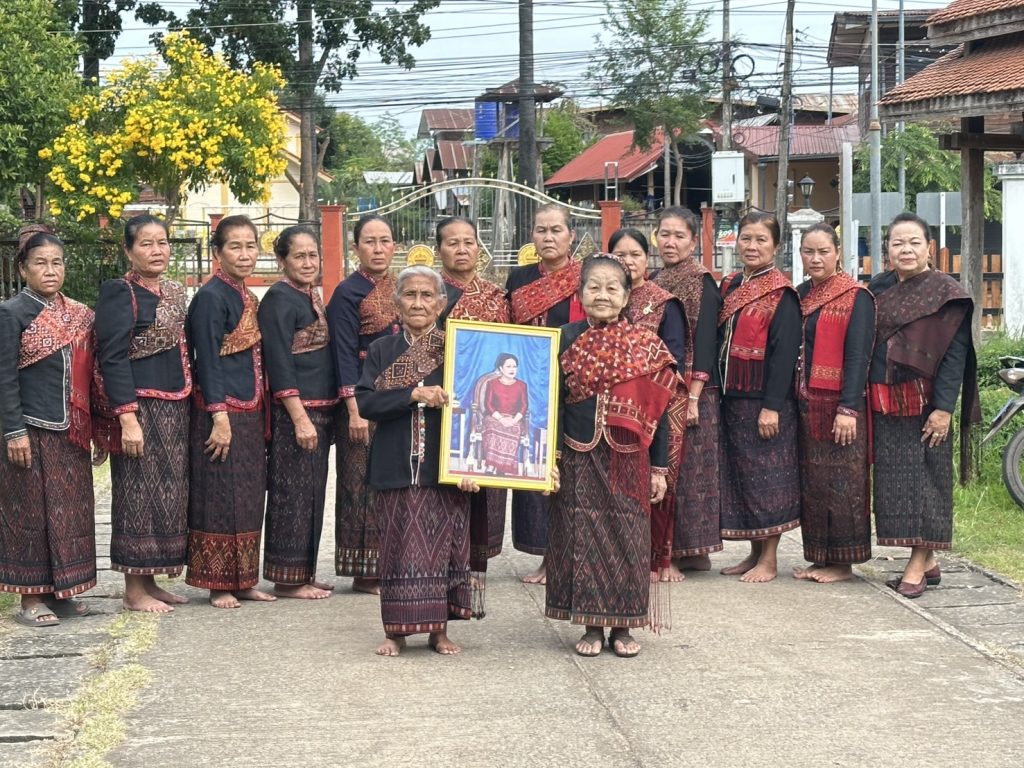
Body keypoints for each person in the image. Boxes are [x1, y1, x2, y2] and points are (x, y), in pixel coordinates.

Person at [546, 254, 676, 658]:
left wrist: (659, 468)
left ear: (626, 296)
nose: (602, 295)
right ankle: (591, 625)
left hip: (629, 458)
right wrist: (548, 456)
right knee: (582, 535)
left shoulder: (646, 345)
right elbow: (552, 403)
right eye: (593, 287)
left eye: (612, 288)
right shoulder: (563, 338)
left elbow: (660, 411)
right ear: (580, 293)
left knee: (629, 538)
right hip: (577, 453)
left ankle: (623, 627)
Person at [356, 266, 481, 657]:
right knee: (396, 552)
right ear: (396, 303)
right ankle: (395, 632)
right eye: (409, 295)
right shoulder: (381, 351)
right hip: (395, 467)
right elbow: (367, 403)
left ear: (441, 304)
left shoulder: (458, 349)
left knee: (444, 548)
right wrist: (413, 394)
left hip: (442, 468)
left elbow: (476, 409)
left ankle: (438, 632)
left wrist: (469, 466)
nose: (418, 303)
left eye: (427, 296)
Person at [868, 212, 979, 598]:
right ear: (887, 250)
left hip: (926, 405)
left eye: (914, 242)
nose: (906, 250)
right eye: (898, 243)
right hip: (885, 402)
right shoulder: (878, 287)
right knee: (895, 485)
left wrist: (944, 408)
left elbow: (955, 356)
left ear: (929, 247)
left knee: (927, 483)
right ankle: (927, 561)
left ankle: (917, 563)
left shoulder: (947, 294)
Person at [94, 214, 191, 613]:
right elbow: (112, 357)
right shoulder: (120, 292)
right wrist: (127, 416)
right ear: (128, 250)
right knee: (136, 492)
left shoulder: (173, 291)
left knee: (167, 494)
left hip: (175, 404)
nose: (157, 251)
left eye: (163, 242)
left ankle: (151, 579)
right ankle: (134, 590)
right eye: (147, 244)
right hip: (140, 407)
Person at [0, 226, 96, 627]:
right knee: (31, 514)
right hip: (31, 428)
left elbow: (91, 374)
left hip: (70, 431)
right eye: (40, 263)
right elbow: (3, 376)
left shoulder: (77, 313)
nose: (50, 270)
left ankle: (64, 592)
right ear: (24, 269)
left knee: (69, 512)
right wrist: (13, 431)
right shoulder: (11, 313)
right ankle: (31, 599)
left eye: (57, 262)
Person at [185, 215, 275, 609]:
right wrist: (219, 417)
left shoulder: (246, 296)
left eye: (250, 245)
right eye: (234, 246)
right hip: (220, 410)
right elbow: (206, 359)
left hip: (251, 407)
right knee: (220, 495)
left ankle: (244, 579)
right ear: (217, 253)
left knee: (250, 495)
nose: (244, 254)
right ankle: (218, 582)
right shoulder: (210, 297)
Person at [717, 211, 801, 583]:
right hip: (732, 396)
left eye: (761, 240)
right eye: (746, 239)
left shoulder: (782, 294)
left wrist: (771, 406)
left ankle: (769, 557)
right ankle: (752, 552)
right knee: (744, 479)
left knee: (769, 478)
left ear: (776, 247)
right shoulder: (731, 285)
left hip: (765, 401)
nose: (752, 246)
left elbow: (784, 355)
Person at [505, 203, 585, 584]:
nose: (548, 237)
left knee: (569, 472)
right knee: (535, 470)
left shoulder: (587, 277)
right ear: (532, 236)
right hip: (530, 389)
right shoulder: (518, 278)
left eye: (556, 230)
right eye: (541, 230)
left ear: (571, 236)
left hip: (576, 386)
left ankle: (567, 554)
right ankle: (545, 554)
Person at [257, 226, 337, 600]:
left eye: (313, 255)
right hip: (297, 414)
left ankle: (303, 571)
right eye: (299, 256)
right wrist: (299, 416)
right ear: (281, 261)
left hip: (321, 410)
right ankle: (287, 578)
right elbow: (278, 362)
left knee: (312, 495)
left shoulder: (309, 295)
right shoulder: (278, 299)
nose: (308, 263)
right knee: (292, 494)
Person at [792, 223, 875, 584]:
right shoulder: (799, 294)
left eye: (823, 251)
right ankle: (819, 557)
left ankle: (843, 563)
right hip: (806, 404)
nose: (815, 258)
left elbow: (859, 357)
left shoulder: (856, 297)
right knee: (814, 483)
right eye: (808, 251)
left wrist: (848, 408)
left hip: (840, 405)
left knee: (845, 483)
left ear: (838, 252)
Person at [326, 214, 399, 594]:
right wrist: (353, 409)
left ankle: (387, 561)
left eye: (384, 240)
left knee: (390, 481)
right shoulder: (347, 293)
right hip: (361, 402)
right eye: (369, 241)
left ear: (395, 246)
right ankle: (362, 568)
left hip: (396, 401)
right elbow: (341, 354)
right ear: (356, 249)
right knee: (360, 483)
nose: (378, 248)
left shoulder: (401, 288)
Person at [609, 227, 687, 583]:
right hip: (609, 402)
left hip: (657, 402)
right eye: (620, 255)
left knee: (658, 480)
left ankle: (659, 558)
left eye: (635, 255)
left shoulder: (664, 302)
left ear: (647, 259)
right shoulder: (604, 295)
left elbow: (673, 356)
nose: (628, 261)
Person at [652, 207, 724, 575]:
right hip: (664, 389)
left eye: (679, 236)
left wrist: (694, 394)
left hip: (695, 391)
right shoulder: (657, 278)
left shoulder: (702, 280)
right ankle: (678, 549)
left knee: (690, 474)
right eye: (665, 234)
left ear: (694, 241)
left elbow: (706, 340)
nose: (670, 242)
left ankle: (688, 550)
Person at [436, 215, 511, 563]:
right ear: (440, 250)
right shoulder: (431, 294)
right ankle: (447, 555)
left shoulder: (496, 296)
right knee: (447, 481)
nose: (462, 249)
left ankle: (478, 557)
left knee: (487, 477)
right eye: (453, 243)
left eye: (468, 242)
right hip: (446, 400)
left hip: (490, 402)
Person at [473, 352, 529, 476]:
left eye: (514, 366)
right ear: (500, 368)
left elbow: (524, 406)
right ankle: (492, 466)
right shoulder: (492, 384)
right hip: (494, 417)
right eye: (508, 366)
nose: (512, 369)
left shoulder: (522, 386)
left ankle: (502, 467)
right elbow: (488, 405)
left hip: (514, 418)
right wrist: (501, 419)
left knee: (514, 429)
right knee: (493, 428)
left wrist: (514, 420)